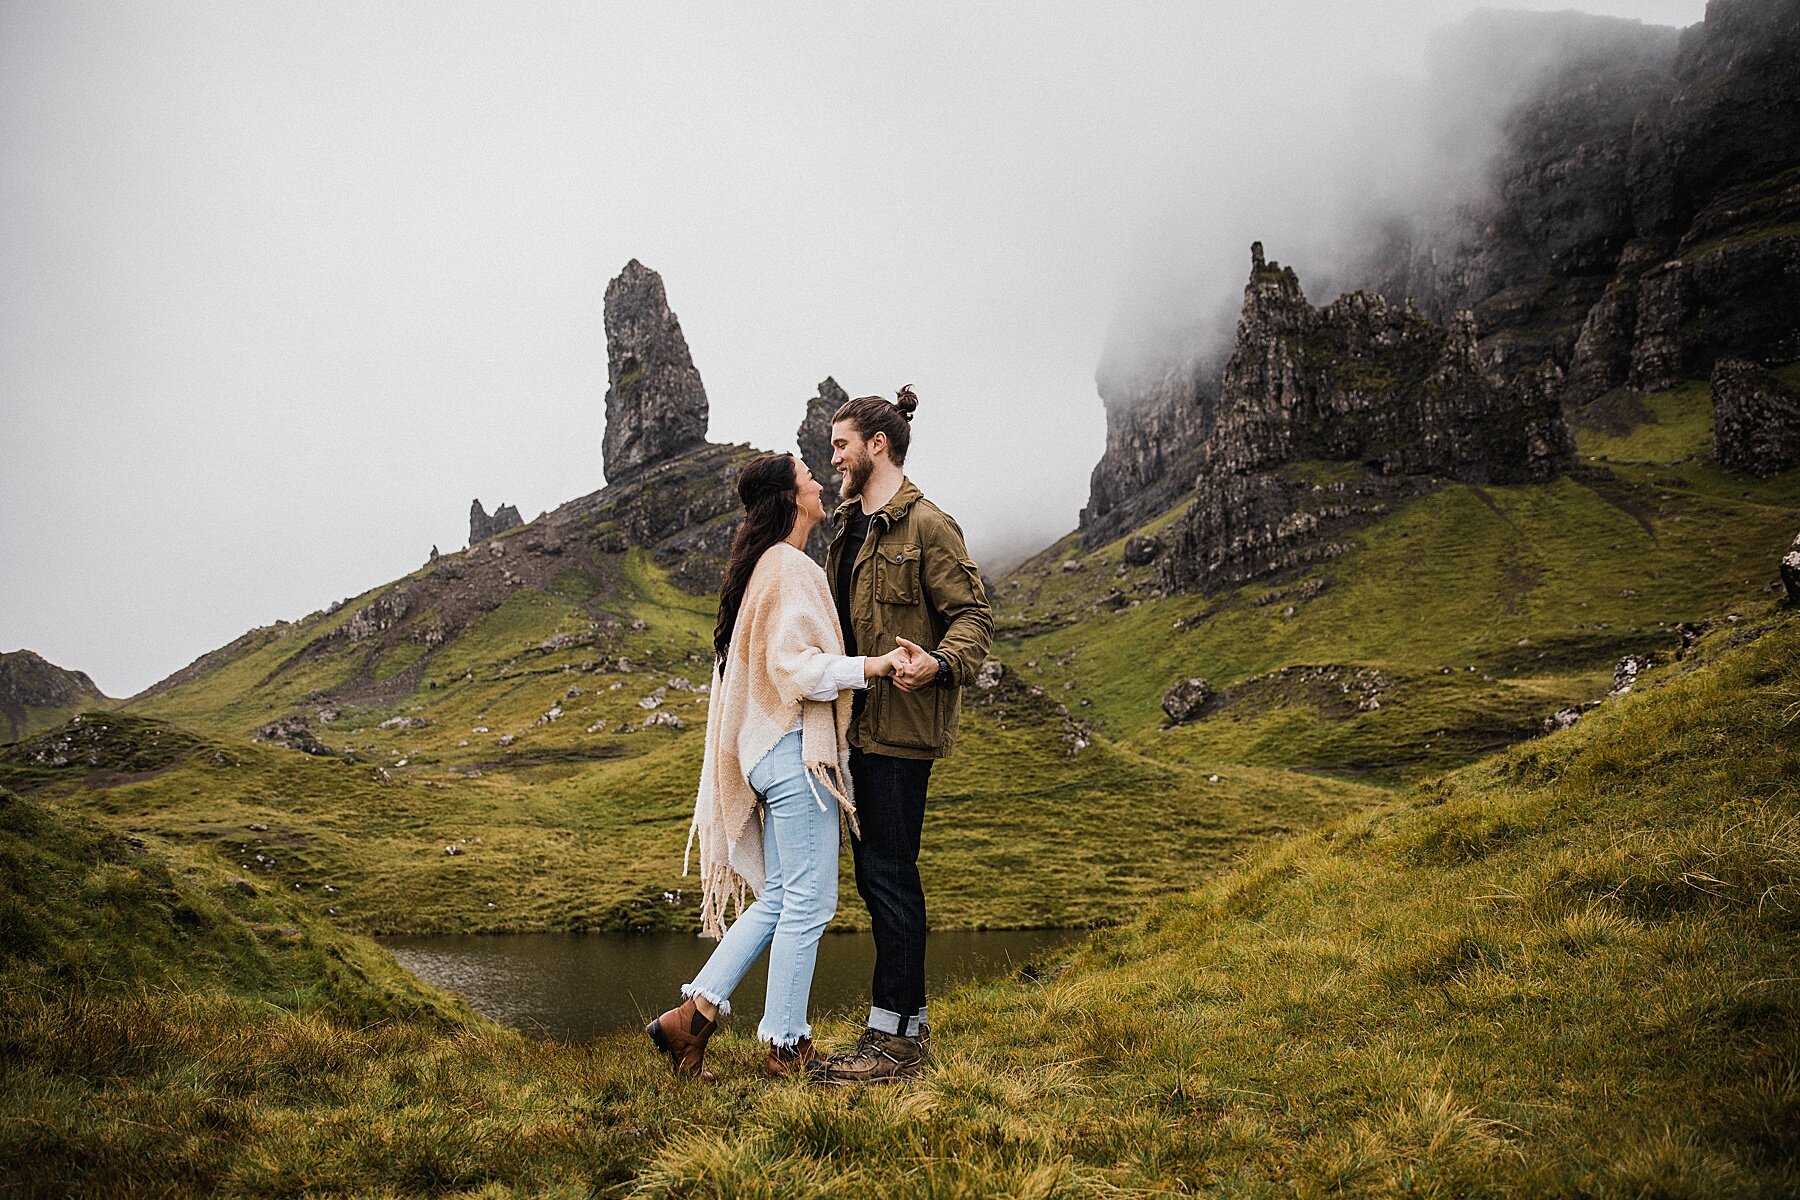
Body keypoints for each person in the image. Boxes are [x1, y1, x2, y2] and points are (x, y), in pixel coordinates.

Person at [646, 452, 912, 1083]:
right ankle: (786, 1046)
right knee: (810, 905)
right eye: (806, 476)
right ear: (792, 498)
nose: (819, 480)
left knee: (781, 898)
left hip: (769, 756)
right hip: (796, 752)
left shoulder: (764, 566)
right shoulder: (788, 567)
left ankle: (692, 1018)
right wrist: (872, 666)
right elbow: (795, 668)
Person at [821, 385, 994, 1084]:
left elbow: (975, 620)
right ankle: (905, 1030)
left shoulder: (929, 527)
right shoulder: (845, 526)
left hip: (900, 733)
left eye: (841, 445)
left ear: (877, 445)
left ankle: (893, 1046)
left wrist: (940, 664)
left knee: (890, 880)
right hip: (854, 733)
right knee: (878, 879)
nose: (833, 457)